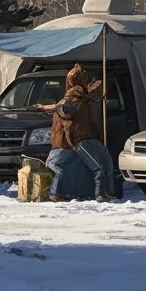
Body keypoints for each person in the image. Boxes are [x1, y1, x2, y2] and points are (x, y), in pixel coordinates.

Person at [43, 64, 114, 202]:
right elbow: (68, 123)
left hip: (81, 140)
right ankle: (98, 194)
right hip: (76, 141)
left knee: (104, 163)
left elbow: (97, 91)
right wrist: (73, 142)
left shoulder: (82, 99)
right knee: (93, 167)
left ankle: (101, 192)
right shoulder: (71, 101)